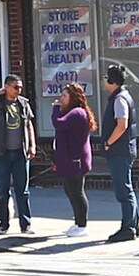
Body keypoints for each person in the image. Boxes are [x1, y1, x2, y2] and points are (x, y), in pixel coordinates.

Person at [0, 73, 37, 234]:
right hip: (1, 153)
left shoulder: (23, 103)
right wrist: (0, 92)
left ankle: (25, 225)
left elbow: (29, 125)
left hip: (21, 152)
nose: (19, 90)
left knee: (23, 190)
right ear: (7, 87)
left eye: (20, 87)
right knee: (3, 191)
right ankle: (3, 224)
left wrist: (32, 145)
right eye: (15, 87)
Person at [50, 80, 95, 237]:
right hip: (68, 158)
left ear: (73, 97)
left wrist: (55, 109)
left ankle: (82, 225)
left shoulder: (77, 113)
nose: (61, 98)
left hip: (76, 160)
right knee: (69, 191)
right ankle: (77, 222)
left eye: (64, 95)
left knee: (77, 192)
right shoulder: (70, 112)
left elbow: (58, 124)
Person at [101, 63, 139, 243]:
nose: (104, 80)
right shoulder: (123, 96)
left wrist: (109, 142)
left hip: (119, 150)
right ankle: (135, 224)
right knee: (127, 187)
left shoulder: (119, 99)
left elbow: (121, 125)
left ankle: (128, 227)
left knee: (123, 190)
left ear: (111, 80)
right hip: (126, 148)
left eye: (106, 77)